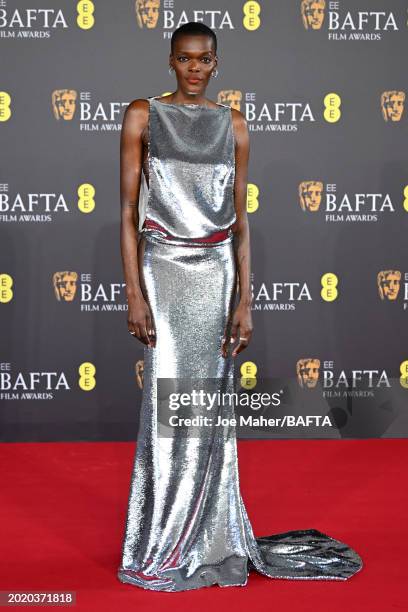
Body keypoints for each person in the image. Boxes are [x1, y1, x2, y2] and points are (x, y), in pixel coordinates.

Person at [117, 22, 363, 592]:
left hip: (218, 270)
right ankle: (164, 540)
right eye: (185, 60)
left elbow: (241, 221)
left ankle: (212, 538)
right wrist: (134, 292)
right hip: (166, 271)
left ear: (217, 63)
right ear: (171, 62)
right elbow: (127, 214)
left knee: (210, 410)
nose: (195, 70)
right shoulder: (141, 116)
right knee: (170, 405)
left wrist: (245, 302)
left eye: (205, 61)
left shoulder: (235, 124)